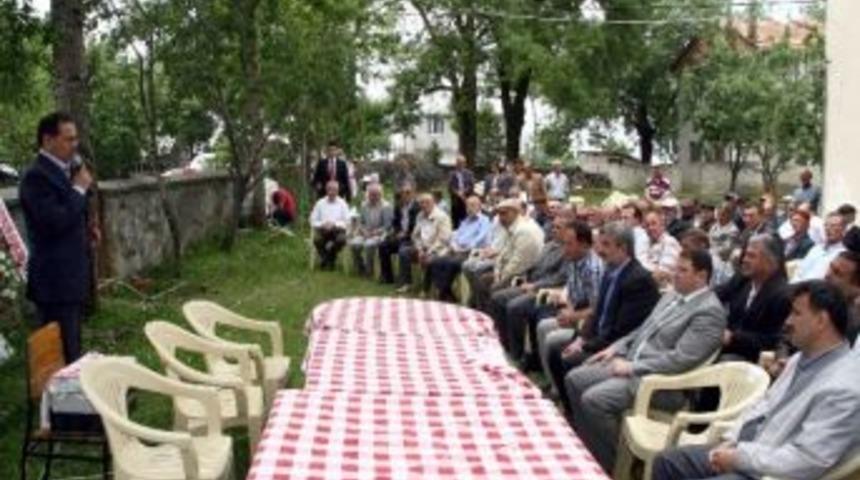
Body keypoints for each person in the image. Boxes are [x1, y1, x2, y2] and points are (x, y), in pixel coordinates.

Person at [653, 280, 860, 480]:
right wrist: (731, 441)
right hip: (751, 452)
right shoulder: (802, 357)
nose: (787, 321)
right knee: (668, 461)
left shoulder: (844, 387)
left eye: (796, 313)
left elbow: (808, 459)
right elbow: (764, 405)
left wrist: (739, 458)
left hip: (772, 473)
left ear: (821, 321)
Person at [566, 249, 726, 471]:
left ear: (702, 276)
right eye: (675, 268)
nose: (675, 274)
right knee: (575, 378)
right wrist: (615, 347)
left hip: (660, 383)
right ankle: (590, 449)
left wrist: (633, 367)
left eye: (683, 270)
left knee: (595, 400)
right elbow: (643, 329)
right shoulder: (672, 296)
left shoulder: (709, 312)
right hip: (631, 361)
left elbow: (681, 359)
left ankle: (615, 465)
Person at [552, 223, 660, 410]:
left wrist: (585, 345)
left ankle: (576, 416)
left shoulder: (637, 280)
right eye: (599, 244)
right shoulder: (611, 270)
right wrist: (581, 338)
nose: (599, 250)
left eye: (606, 245)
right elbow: (597, 313)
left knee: (568, 359)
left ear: (623, 248)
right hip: (599, 338)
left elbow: (620, 331)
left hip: (617, 347)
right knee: (555, 350)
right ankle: (569, 409)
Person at [19, 112, 96, 362]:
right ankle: (59, 398)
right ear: (48, 140)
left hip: (72, 276)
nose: (75, 145)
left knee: (72, 342)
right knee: (60, 350)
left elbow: (72, 213)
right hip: (54, 281)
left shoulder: (68, 169)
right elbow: (54, 221)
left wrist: (88, 229)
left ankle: (71, 393)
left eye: (76, 139)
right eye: (68, 139)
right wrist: (79, 189)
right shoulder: (35, 176)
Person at [491, 213, 570, 365]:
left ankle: (517, 354)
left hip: (546, 289)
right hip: (531, 284)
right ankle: (505, 344)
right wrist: (526, 278)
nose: (554, 230)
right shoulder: (549, 245)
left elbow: (560, 278)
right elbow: (535, 266)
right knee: (498, 297)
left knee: (515, 306)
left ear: (568, 231)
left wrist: (535, 286)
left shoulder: (567, 250)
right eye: (553, 227)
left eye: (559, 228)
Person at [536, 220, 605, 393]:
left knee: (552, 338)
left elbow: (597, 309)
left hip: (588, 324)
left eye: (569, 244)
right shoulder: (573, 260)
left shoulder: (593, 269)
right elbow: (573, 293)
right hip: (576, 314)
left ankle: (557, 389)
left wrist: (572, 316)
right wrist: (567, 308)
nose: (564, 248)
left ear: (583, 244)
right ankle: (553, 383)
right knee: (543, 325)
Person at [716, 234, 791, 363]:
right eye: (745, 255)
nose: (744, 260)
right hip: (722, 345)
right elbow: (717, 295)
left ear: (771, 261)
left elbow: (775, 342)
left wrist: (734, 338)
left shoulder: (783, 295)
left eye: (751, 256)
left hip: (749, 361)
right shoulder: (743, 279)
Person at [470, 199, 544, 311]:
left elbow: (518, 264)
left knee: (490, 286)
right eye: (499, 214)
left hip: (524, 276)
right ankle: (484, 314)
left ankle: (490, 319)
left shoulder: (524, 230)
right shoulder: (512, 227)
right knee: (481, 279)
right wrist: (497, 273)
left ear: (515, 212)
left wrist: (499, 279)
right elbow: (503, 255)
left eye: (504, 213)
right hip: (511, 272)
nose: (500, 218)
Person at [426, 195, 492, 301]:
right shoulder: (465, 221)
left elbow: (480, 239)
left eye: (473, 205)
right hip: (457, 250)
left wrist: (462, 249)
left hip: (471, 253)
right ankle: (447, 292)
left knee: (451, 263)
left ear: (480, 206)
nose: (469, 208)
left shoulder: (484, 221)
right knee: (436, 261)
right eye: (467, 206)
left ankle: (443, 293)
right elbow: (455, 235)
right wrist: (454, 245)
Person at [396, 193, 452, 293]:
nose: (424, 205)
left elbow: (444, 239)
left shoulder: (442, 217)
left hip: (438, 248)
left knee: (429, 259)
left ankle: (427, 288)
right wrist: (420, 248)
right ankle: (407, 283)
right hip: (422, 247)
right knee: (404, 252)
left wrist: (429, 250)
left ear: (433, 203)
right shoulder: (420, 216)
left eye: (427, 202)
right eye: (421, 203)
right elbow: (415, 235)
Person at [378, 183, 420, 284]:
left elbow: (417, 227)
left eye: (408, 193)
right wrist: (397, 232)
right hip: (400, 236)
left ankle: (405, 280)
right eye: (403, 193)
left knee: (403, 249)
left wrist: (405, 234)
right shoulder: (399, 206)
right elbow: (395, 223)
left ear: (414, 194)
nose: (405, 195)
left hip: (411, 238)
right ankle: (388, 277)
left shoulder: (417, 207)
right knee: (383, 246)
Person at [348, 183, 392, 277]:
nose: (373, 197)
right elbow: (361, 222)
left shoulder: (386, 206)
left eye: (376, 194)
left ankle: (369, 270)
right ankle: (360, 268)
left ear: (381, 195)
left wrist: (374, 233)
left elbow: (387, 226)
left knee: (369, 245)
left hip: (379, 234)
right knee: (354, 244)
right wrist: (364, 231)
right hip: (365, 232)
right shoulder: (364, 205)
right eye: (371, 194)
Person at [792, 212, 848, 282]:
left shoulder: (843, 255)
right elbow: (800, 271)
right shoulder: (816, 249)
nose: (828, 228)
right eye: (826, 225)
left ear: (843, 230)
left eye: (833, 225)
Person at [309, 181, 350, 270]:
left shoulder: (342, 203)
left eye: (334, 190)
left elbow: (347, 221)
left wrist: (334, 224)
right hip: (323, 230)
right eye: (329, 190)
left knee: (342, 239)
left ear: (338, 191)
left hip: (337, 231)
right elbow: (312, 220)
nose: (332, 192)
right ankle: (328, 260)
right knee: (317, 239)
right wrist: (322, 224)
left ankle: (328, 258)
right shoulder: (320, 203)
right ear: (326, 190)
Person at [825, 250, 860, 344]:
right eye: (830, 267)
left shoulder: (853, 321)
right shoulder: (821, 295)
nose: (827, 275)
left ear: (856, 286)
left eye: (837, 273)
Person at [642, 209, 682, 286]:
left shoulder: (670, 242)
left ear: (662, 225)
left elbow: (663, 273)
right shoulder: (646, 243)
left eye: (654, 224)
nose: (650, 228)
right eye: (647, 225)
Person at [447, 154, 474, 229]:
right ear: (456, 163)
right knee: (455, 220)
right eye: (458, 162)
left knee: (466, 218)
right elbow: (450, 186)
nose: (460, 164)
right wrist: (457, 193)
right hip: (455, 200)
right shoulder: (452, 174)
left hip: (466, 199)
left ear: (465, 164)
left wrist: (463, 192)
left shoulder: (469, 173)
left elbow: (471, 185)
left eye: (462, 163)